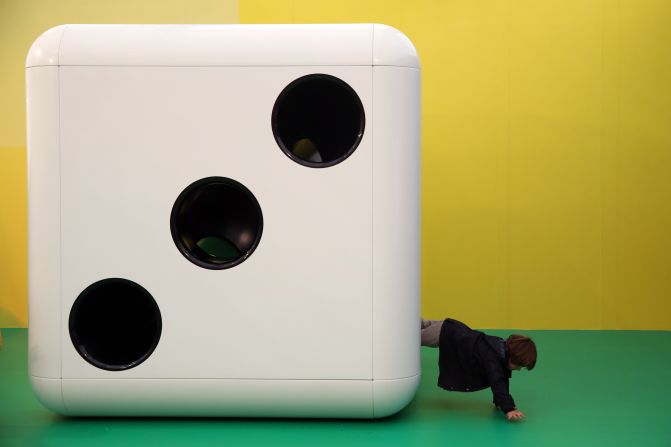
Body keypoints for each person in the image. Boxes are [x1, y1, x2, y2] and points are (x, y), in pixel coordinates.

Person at [421, 318, 537, 421]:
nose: (519, 369)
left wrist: (501, 403)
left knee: (412, 324)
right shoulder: (493, 357)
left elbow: (502, 377)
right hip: (444, 334)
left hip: (449, 327)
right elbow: (497, 381)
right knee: (408, 338)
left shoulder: (501, 348)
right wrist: (509, 409)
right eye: (519, 366)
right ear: (512, 357)